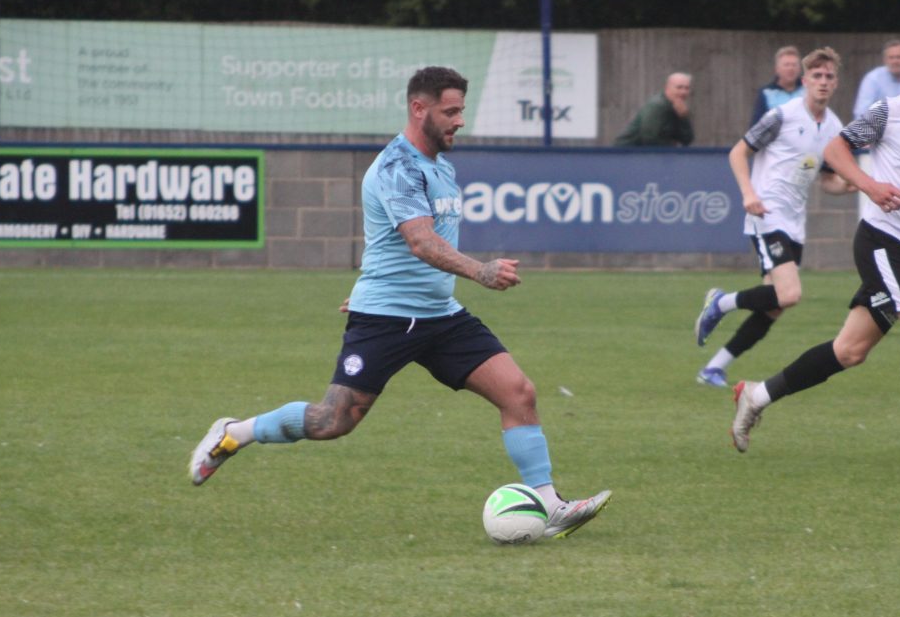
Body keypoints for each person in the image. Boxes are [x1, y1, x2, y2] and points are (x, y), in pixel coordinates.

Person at [189, 66, 611, 539]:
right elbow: (421, 243)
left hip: (440, 316)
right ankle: (234, 432)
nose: (459, 121)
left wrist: (378, 279)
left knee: (519, 393)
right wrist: (480, 271)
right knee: (334, 420)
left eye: (461, 112)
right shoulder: (396, 167)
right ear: (419, 108)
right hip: (388, 321)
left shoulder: (439, 166)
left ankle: (550, 505)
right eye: (450, 112)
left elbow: (396, 246)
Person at [729, 28, 900, 470]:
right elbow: (836, 148)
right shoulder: (890, 110)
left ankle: (757, 394)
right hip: (880, 242)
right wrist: (870, 185)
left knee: (849, 351)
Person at [695, 47, 853, 388]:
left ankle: (713, 368)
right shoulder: (782, 115)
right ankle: (721, 302)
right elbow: (738, 152)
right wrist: (749, 194)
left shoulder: (834, 127)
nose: (823, 82)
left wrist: (852, 185)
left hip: (794, 224)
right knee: (790, 294)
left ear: (836, 82)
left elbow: (827, 180)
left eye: (829, 77)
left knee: (775, 305)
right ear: (805, 80)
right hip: (766, 213)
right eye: (817, 76)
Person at [614, 72, 694, 146]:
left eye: (687, 88)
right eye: (679, 87)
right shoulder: (657, 106)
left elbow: (687, 140)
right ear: (667, 88)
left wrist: (683, 117)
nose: (683, 92)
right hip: (625, 154)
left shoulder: (678, 108)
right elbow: (650, 139)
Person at [852, 39, 900, 119]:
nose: (895, 61)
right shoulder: (873, 79)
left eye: (899, 57)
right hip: (883, 128)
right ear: (885, 60)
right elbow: (861, 113)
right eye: (891, 58)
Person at [750, 46, 804, 126]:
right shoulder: (766, 93)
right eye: (786, 65)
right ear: (777, 69)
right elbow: (756, 128)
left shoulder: (808, 90)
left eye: (794, 65)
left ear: (799, 69)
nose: (791, 68)